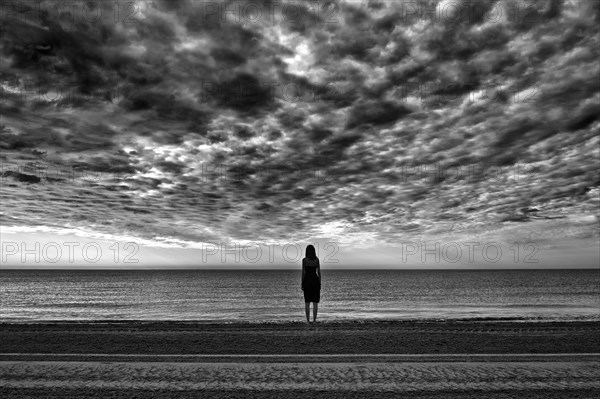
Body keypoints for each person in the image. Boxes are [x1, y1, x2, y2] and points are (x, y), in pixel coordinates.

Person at [301, 244, 321, 323]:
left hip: (307, 281)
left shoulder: (304, 260)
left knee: (307, 302)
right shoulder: (316, 260)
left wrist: (302, 283)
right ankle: (315, 321)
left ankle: (308, 321)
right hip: (315, 281)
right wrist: (320, 283)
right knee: (315, 302)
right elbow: (319, 272)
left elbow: (303, 273)